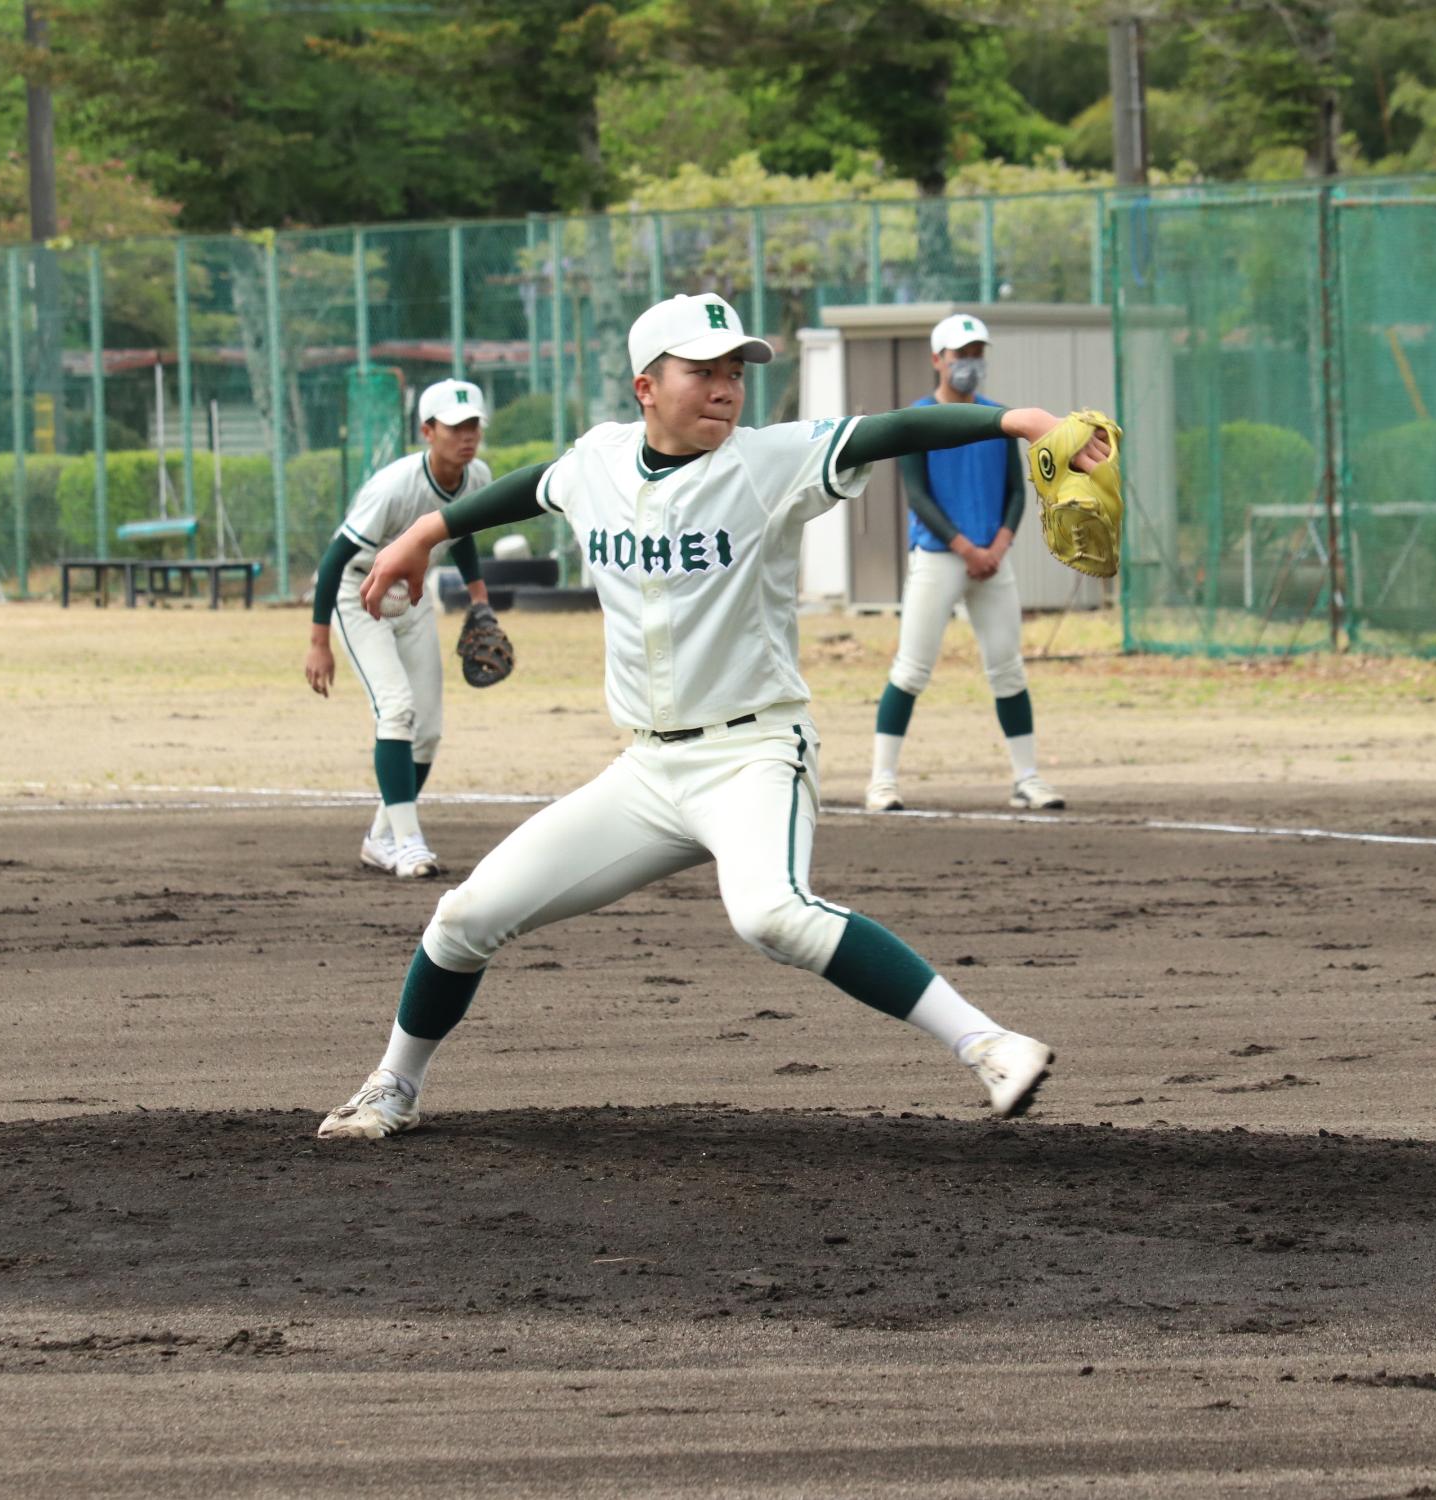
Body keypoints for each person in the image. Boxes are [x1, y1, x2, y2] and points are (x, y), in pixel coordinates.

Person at [315, 293, 1110, 1140]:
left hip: (754, 755)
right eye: (703, 371)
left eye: (735, 371)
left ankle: (989, 1045)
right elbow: (528, 491)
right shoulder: (599, 463)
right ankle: (393, 1084)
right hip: (646, 774)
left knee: (770, 912)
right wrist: (421, 534)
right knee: (463, 917)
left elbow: (890, 432)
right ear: (646, 385)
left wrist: (1022, 419)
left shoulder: (771, 462)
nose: (727, 387)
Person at [864, 313, 1064, 815]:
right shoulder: (918, 417)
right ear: (938, 360)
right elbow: (918, 496)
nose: (970, 364)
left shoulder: (1001, 417)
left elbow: (1017, 492)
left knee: (1008, 671)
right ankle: (881, 782)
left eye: (978, 355)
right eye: (961, 356)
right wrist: (964, 546)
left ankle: (1027, 779)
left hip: (993, 560)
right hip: (939, 556)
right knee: (911, 670)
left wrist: (999, 544)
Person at [304, 379, 495, 879]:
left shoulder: (477, 478)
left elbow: (463, 538)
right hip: (357, 590)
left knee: (427, 731)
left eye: (473, 424)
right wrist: (318, 641)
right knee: (397, 709)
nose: (467, 436)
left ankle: (381, 838)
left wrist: (480, 601)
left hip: (411, 595)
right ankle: (409, 843)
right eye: (455, 427)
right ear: (427, 431)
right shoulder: (395, 486)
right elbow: (334, 559)